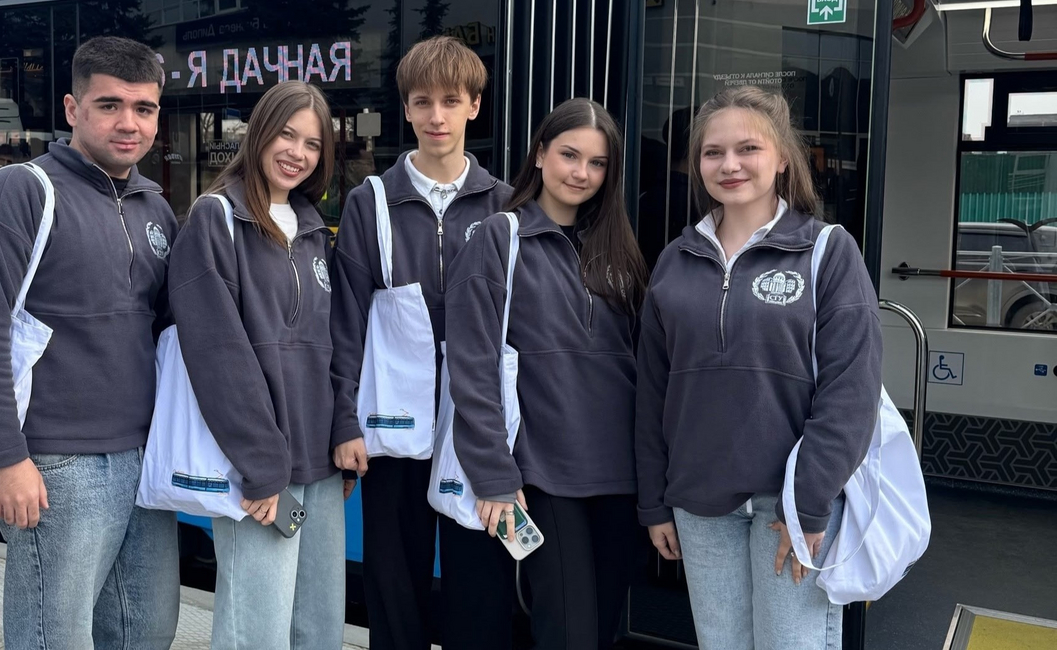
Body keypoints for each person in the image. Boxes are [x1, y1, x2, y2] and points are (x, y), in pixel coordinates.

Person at [0, 36, 180, 650]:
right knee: (54, 638)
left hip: (143, 459)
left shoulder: (156, 209)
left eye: (144, 108)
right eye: (109, 105)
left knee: (146, 633)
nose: (129, 123)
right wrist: (4, 458)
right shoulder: (19, 193)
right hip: (57, 465)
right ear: (73, 109)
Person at [635, 86, 883, 650]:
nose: (730, 165)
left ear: (783, 158)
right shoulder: (676, 260)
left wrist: (809, 503)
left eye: (748, 148)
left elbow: (851, 389)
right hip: (699, 503)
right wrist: (654, 500)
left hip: (790, 502)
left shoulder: (827, 250)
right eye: (713, 152)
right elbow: (652, 391)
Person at [329, 36, 515, 650]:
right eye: (423, 102)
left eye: (451, 101)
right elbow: (347, 322)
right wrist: (344, 421)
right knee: (394, 589)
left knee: (480, 588)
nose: (437, 116)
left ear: (474, 107)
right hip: (392, 430)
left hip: (476, 429)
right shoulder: (370, 203)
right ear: (406, 109)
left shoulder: (505, 204)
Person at [444, 97, 650, 650]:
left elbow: (643, 369)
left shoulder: (620, 250)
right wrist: (494, 474)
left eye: (597, 163)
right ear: (540, 154)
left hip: (620, 475)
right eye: (569, 155)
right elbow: (472, 366)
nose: (582, 173)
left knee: (600, 632)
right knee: (567, 632)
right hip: (540, 475)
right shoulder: (499, 238)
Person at [168, 80, 344, 650]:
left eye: (313, 144)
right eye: (287, 135)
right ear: (260, 133)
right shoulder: (217, 218)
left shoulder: (314, 229)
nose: (298, 153)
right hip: (261, 468)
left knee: (318, 627)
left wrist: (342, 434)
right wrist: (263, 464)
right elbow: (217, 353)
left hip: (319, 462)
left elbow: (331, 344)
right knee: (257, 632)